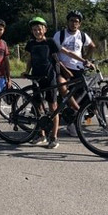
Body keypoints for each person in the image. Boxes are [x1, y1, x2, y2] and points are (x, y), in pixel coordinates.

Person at [53, 10, 96, 136]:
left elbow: (92, 45)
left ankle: (75, 121)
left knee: (81, 96)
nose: (73, 23)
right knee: (64, 90)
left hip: (78, 69)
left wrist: (86, 59)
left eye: (76, 21)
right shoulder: (59, 35)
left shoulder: (82, 35)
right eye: (71, 20)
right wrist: (63, 67)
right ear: (68, 22)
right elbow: (56, 53)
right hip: (62, 68)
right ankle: (74, 117)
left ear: (80, 24)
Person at [23, 17, 63, 149]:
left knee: (53, 107)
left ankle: (54, 137)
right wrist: (26, 71)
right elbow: (29, 59)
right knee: (38, 107)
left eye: (39, 29)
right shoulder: (31, 43)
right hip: (36, 77)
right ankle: (42, 135)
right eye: (34, 29)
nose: (37, 31)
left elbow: (56, 59)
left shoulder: (51, 42)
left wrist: (63, 72)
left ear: (44, 29)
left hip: (49, 77)